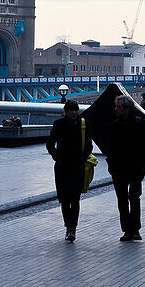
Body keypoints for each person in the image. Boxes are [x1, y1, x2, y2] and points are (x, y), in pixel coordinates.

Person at [106, 95, 145, 242]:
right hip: (119, 169)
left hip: (135, 168)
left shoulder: (140, 125)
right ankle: (128, 229)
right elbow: (110, 149)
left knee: (134, 198)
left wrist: (143, 166)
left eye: (118, 107)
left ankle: (134, 229)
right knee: (122, 200)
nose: (116, 109)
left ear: (127, 109)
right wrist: (112, 166)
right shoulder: (114, 126)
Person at [46, 100, 93, 242]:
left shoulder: (84, 124)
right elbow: (50, 144)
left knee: (75, 199)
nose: (73, 112)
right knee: (65, 200)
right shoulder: (58, 124)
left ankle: (73, 228)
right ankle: (68, 226)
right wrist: (57, 156)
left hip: (77, 166)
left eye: (75, 110)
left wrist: (83, 157)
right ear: (65, 111)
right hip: (62, 166)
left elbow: (89, 145)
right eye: (70, 110)